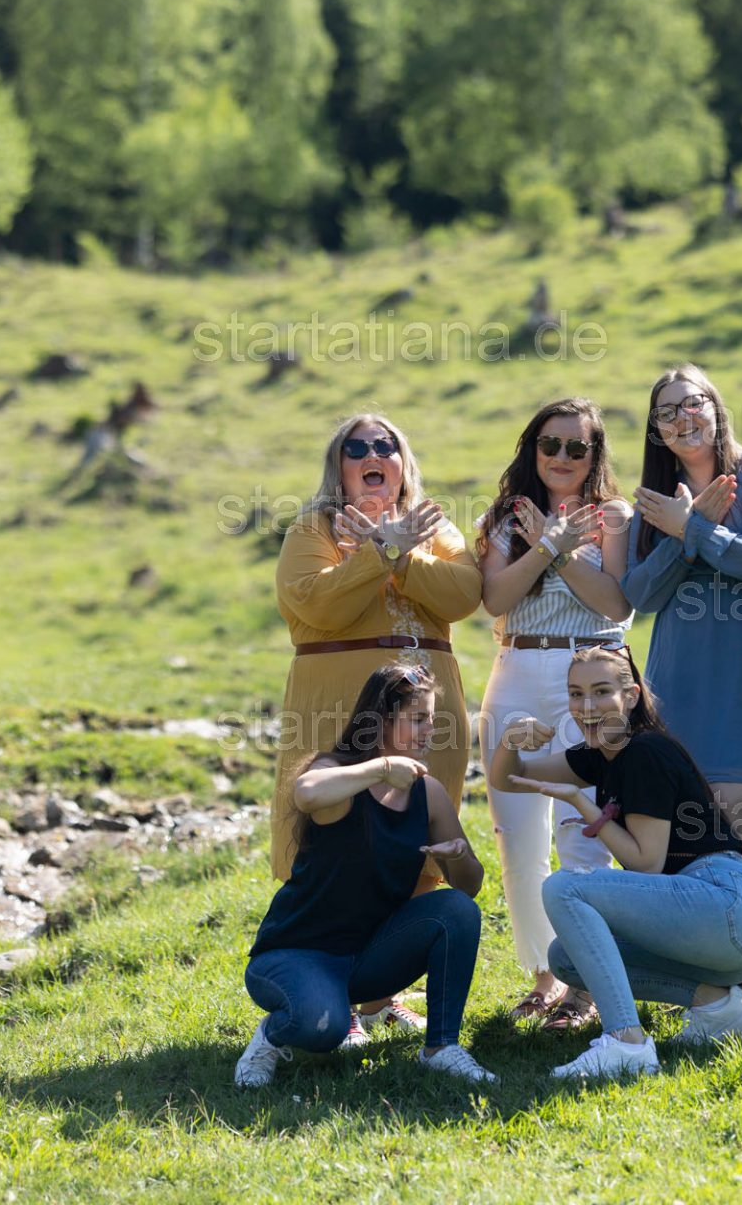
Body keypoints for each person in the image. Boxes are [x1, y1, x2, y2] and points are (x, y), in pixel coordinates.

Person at [272, 413, 481, 1046]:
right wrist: (379, 551)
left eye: (384, 446)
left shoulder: (435, 526)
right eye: (356, 447)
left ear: (402, 461)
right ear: (338, 466)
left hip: (428, 714)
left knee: (415, 845)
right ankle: (323, 988)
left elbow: (463, 595)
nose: (372, 455)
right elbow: (318, 602)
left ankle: (381, 999)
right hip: (338, 708)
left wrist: (402, 552)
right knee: (337, 844)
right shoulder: (312, 529)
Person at [489, 644, 742, 1081]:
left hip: (726, 903)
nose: (587, 706)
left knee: (564, 887)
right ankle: (721, 1005)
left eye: (601, 691)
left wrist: (580, 804)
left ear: (632, 695)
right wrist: (510, 740)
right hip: (725, 936)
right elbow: (510, 777)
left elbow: (645, 863)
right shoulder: (601, 755)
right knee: (566, 958)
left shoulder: (644, 752)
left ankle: (626, 1041)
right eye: (576, 693)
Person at [623, 365, 742, 1013]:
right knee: (690, 826)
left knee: (735, 815)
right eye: (667, 412)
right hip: (678, 677)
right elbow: (640, 594)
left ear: (716, 406)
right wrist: (682, 531)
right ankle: (716, 980)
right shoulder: (657, 500)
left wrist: (695, 531)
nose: (683, 418)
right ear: (657, 430)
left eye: (692, 403)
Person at [235, 664, 495, 1087]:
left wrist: (459, 855)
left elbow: (469, 887)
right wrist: (381, 767)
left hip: (369, 958)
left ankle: (441, 1047)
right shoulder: (335, 771)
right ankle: (271, 1036)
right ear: (381, 721)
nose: (430, 731)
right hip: (296, 954)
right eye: (418, 719)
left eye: (432, 719)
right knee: (323, 1029)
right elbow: (306, 793)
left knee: (454, 908)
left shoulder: (427, 793)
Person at [476, 399, 634, 1028]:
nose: (562, 457)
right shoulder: (504, 518)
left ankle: (583, 984)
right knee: (517, 839)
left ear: (595, 455)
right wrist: (546, 543)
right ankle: (543, 973)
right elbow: (495, 598)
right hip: (516, 668)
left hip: (591, 672)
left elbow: (616, 604)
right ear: (532, 449)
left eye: (577, 447)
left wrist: (565, 553)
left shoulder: (614, 517)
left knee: (583, 830)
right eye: (550, 445)